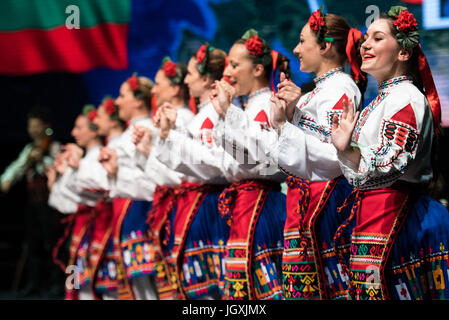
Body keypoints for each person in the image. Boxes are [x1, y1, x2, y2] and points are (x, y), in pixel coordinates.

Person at [330, 6, 449, 300]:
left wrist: (350, 149)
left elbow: (392, 162)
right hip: (375, 212)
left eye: (377, 38)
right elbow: (362, 169)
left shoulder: (406, 97)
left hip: (399, 216)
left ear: (403, 54)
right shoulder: (378, 101)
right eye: (365, 38)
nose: (365, 44)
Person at [266, 10, 365, 299]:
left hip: (328, 201)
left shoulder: (341, 88)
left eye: (301, 41)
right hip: (309, 200)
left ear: (325, 46)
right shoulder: (315, 92)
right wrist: (289, 116)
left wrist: (290, 120)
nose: (295, 49)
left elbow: (335, 154)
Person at [138, 44, 230, 299]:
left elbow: (206, 167)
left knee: (209, 286)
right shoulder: (200, 116)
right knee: (196, 284)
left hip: (205, 203)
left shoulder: (201, 116)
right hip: (193, 204)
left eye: (190, 73)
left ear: (204, 78)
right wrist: (153, 148)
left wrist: (167, 138)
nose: (187, 79)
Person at [209, 29, 290, 300]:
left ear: (257, 69)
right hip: (248, 202)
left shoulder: (266, 105)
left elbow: (263, 161)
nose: (227, 72)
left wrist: (226, 112)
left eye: (234, 64)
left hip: (260, 204)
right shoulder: (250, 107)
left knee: (260, 288)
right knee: (245, 287)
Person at [1, 106, 63, 298]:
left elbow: (60, 171)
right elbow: (16, 168)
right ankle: (35, 284)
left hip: (52, 206)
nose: (34, 129)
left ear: (46, 126)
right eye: (31, 126)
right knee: (33, 244)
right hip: (33, 206)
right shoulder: (29, 150)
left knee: (54, 245)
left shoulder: (54, 147)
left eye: (37, 125)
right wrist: (7, 179)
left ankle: (61, 284)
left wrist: (44, 160)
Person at [48, 105, 105, 300]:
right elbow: (69, 203)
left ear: (93, 129)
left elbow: (88, 198)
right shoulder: (86, 158)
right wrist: (58, 180)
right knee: (81, 286)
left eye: (79, 127)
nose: (73, 132)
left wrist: (69, 173)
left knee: (98, 286)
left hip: (98, 228)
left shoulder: (99, 156)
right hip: (83, 230)